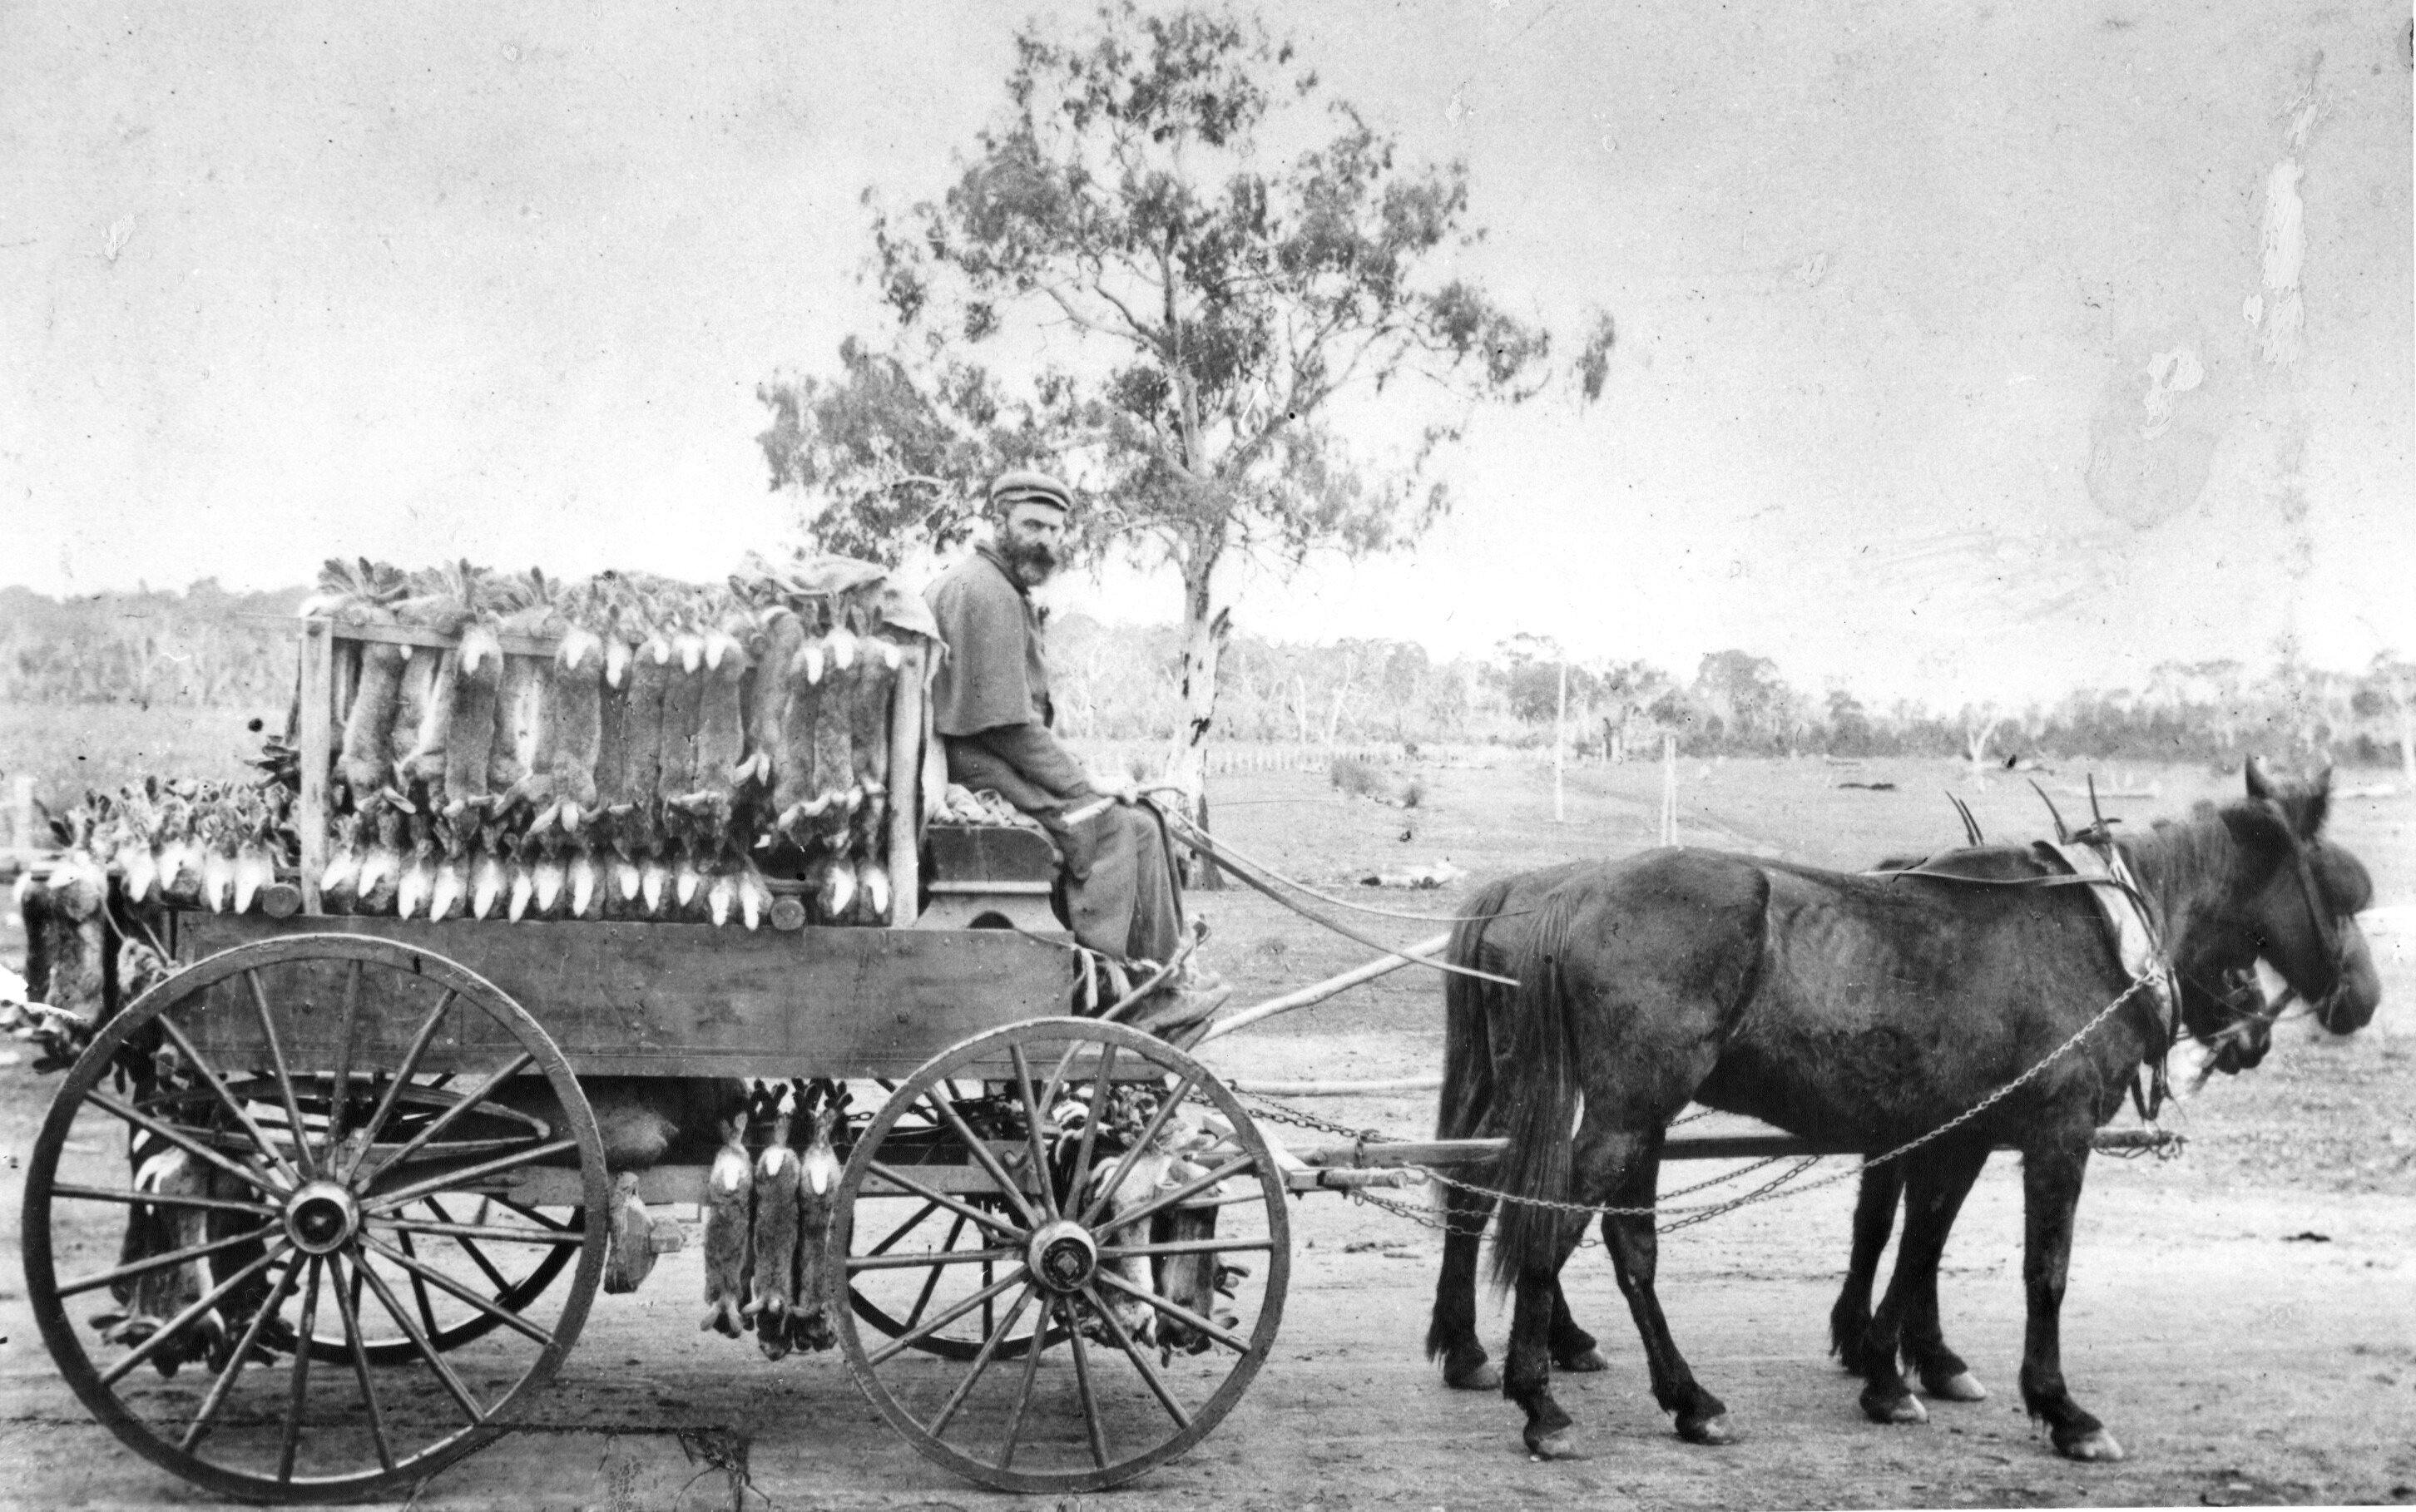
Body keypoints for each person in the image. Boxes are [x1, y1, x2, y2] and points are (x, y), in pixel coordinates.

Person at [924, 469, 1229, 1042]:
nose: (1046, 539)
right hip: (983, 764)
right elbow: (1009, 726)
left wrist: (1089, 782)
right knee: (1116, 827)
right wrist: (1085, 784)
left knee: (1146, 821)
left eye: (1056, 529)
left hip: (991, 756)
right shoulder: (985, 591)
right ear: (1000, 522)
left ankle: (1162, 979)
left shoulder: (994, 587)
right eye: (1032, 524)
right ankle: (1119, 992)